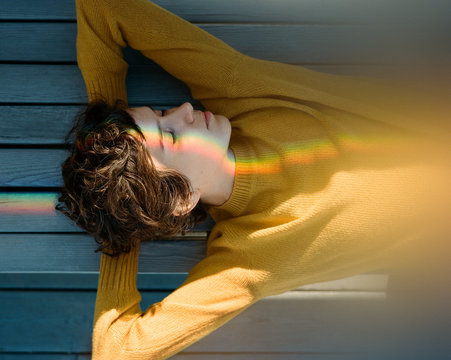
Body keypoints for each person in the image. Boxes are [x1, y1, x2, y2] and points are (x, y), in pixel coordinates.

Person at [56, 0, 451, 358]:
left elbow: (102, 9)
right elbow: (117, 351)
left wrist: (111, 116)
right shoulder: (247, 260)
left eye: (162, 113)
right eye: (171, 135)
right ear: (181, 199)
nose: (184, 110)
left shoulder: (236, 92)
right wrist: (123, 234)